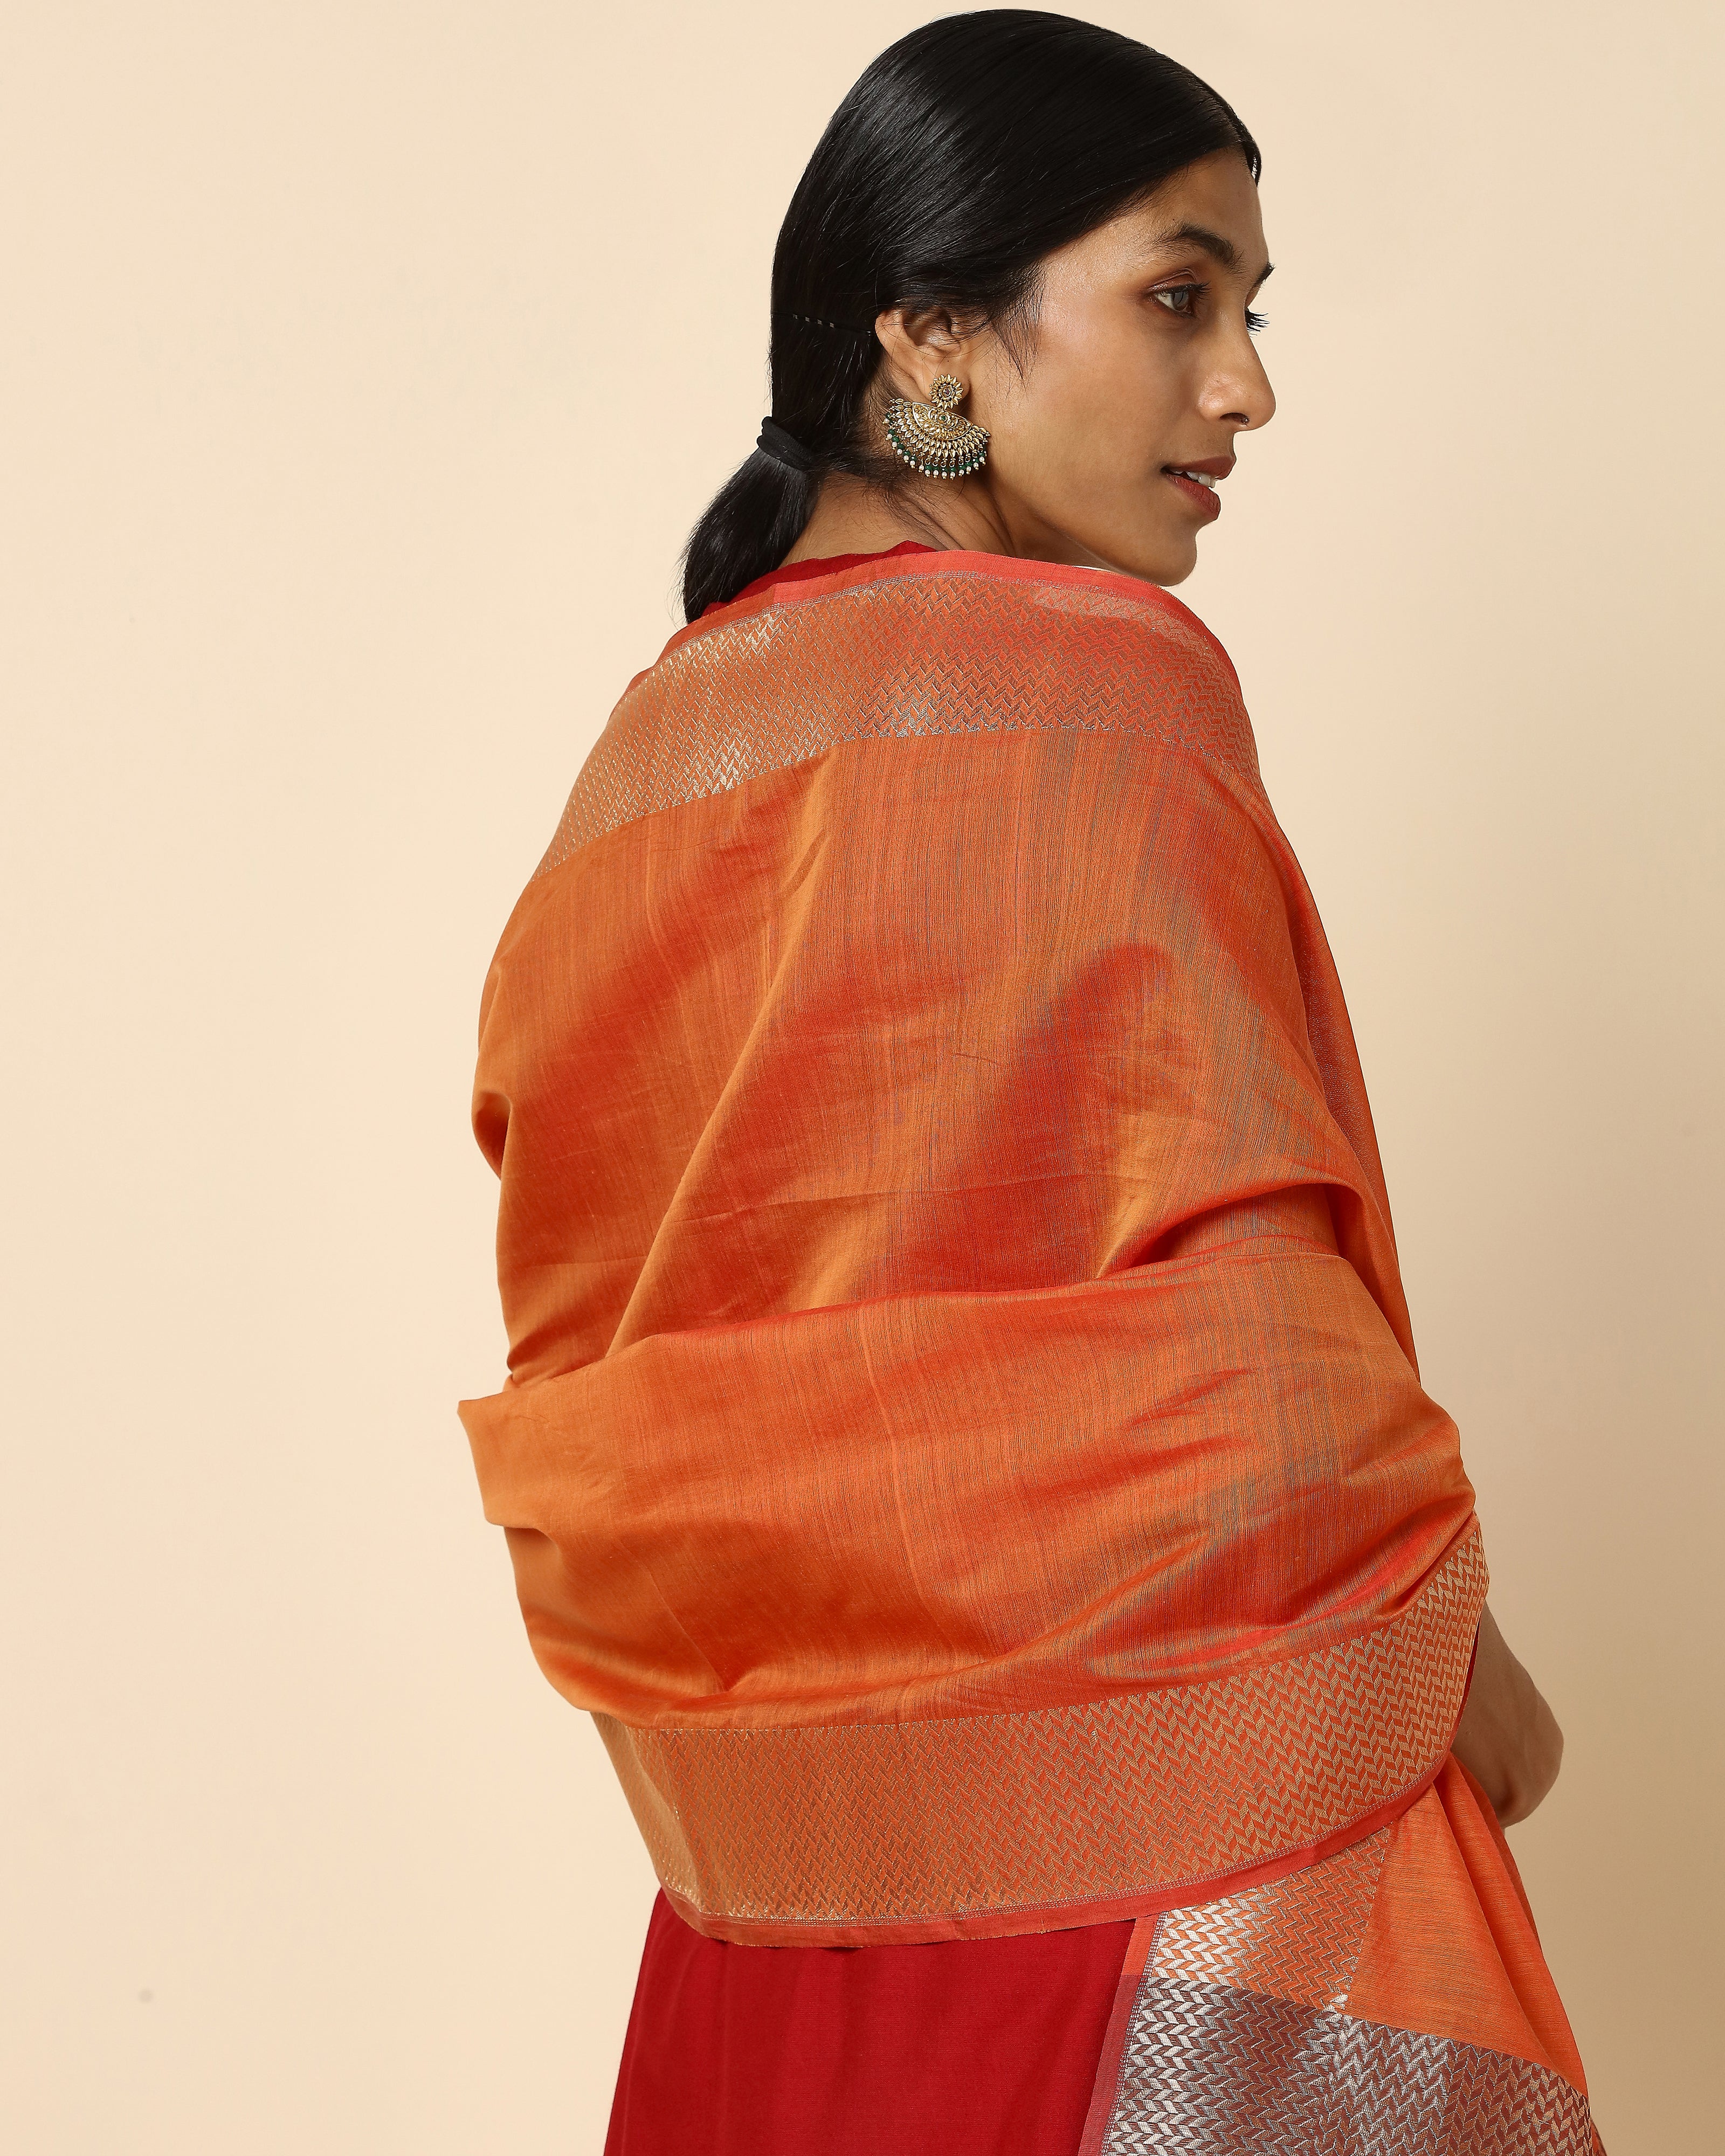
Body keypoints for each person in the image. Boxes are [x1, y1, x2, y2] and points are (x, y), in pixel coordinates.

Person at [460, 12, 1595, 2151]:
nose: (1244, 386)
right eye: (1176, 297)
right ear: (929, 336)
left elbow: (602, 1343)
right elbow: (1235, 1293)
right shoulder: (1099, 686)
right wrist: (1442, 1652)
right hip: (1159, 1856)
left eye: (1251, 314)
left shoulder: (633, 777)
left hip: (767, 1905)